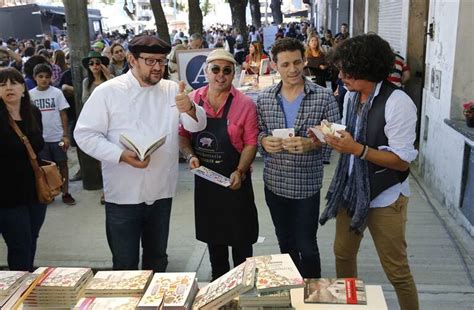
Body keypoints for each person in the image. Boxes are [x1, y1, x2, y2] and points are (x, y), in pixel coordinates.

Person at [74, 35, 207, 272]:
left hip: (161, 189)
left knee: (157, 259)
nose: (158, 67)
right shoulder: (108, 91)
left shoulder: (171, 88)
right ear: (131, 59)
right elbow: (84, 134)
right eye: (150, 61)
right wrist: (119, 154)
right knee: (125, 263)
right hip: (123, 192)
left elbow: (197, 126)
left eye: (162, 61)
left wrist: (190, 108)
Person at [319, 34, 419, 310]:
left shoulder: (398, 103)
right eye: (339, 70)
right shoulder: (352, 96)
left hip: (386, 197)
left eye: (347, 71)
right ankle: (350, 306)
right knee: (343, 254)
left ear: (367, 68)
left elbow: (401, 161)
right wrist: (333, 136)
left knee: (397, 272)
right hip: (351, 190)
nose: (341, 76)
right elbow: (351, 136)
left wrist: (357, 149)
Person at [257, 38, 340, 278]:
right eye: (285, 64)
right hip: (275, 183)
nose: (292, 69)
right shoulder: (264, 98)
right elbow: (259, 130)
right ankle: (292, 289)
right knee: (285, 242)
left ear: (304, 61)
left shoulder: (323, 97)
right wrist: (264, 141)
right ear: (274, 65)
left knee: (307, 245)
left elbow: (336, 135)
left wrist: (312, 143)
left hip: (306, 185)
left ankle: (313, 293)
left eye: (296, 62)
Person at [179, 49, 259, 280]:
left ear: (234, 73)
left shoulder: (244, 104)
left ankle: (243, 286)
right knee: (215, 241)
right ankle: (219, 285)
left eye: (227, 70)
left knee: (241, 240)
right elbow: (183, 134)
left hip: (235, 179)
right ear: (206, 71)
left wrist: (240, 170)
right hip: (206, 182)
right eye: (215, 69)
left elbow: (251, 143)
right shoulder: (193, 100)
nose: (220, 75)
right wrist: (189, 156)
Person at [0, 67, 46, 271]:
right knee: (19, 244)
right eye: (2, 84)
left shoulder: (33, 113)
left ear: (23, 88)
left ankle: (26, 280)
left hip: (35, 191)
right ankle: (18, 291)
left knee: (31, 239)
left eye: (14, 83)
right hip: (7, 195)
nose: (9, 88)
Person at [29, 63, 75, 205]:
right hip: (40, 139)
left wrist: (65, 135)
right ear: (34, 78)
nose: (44, 79)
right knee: (46, 168)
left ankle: (66, 192)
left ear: (51, 78)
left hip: (58, 137)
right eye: (40, 77)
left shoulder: (56, 93)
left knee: (63, 164)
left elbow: (63, 114)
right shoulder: (30, 95)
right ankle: (50, 191)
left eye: (47, 77)